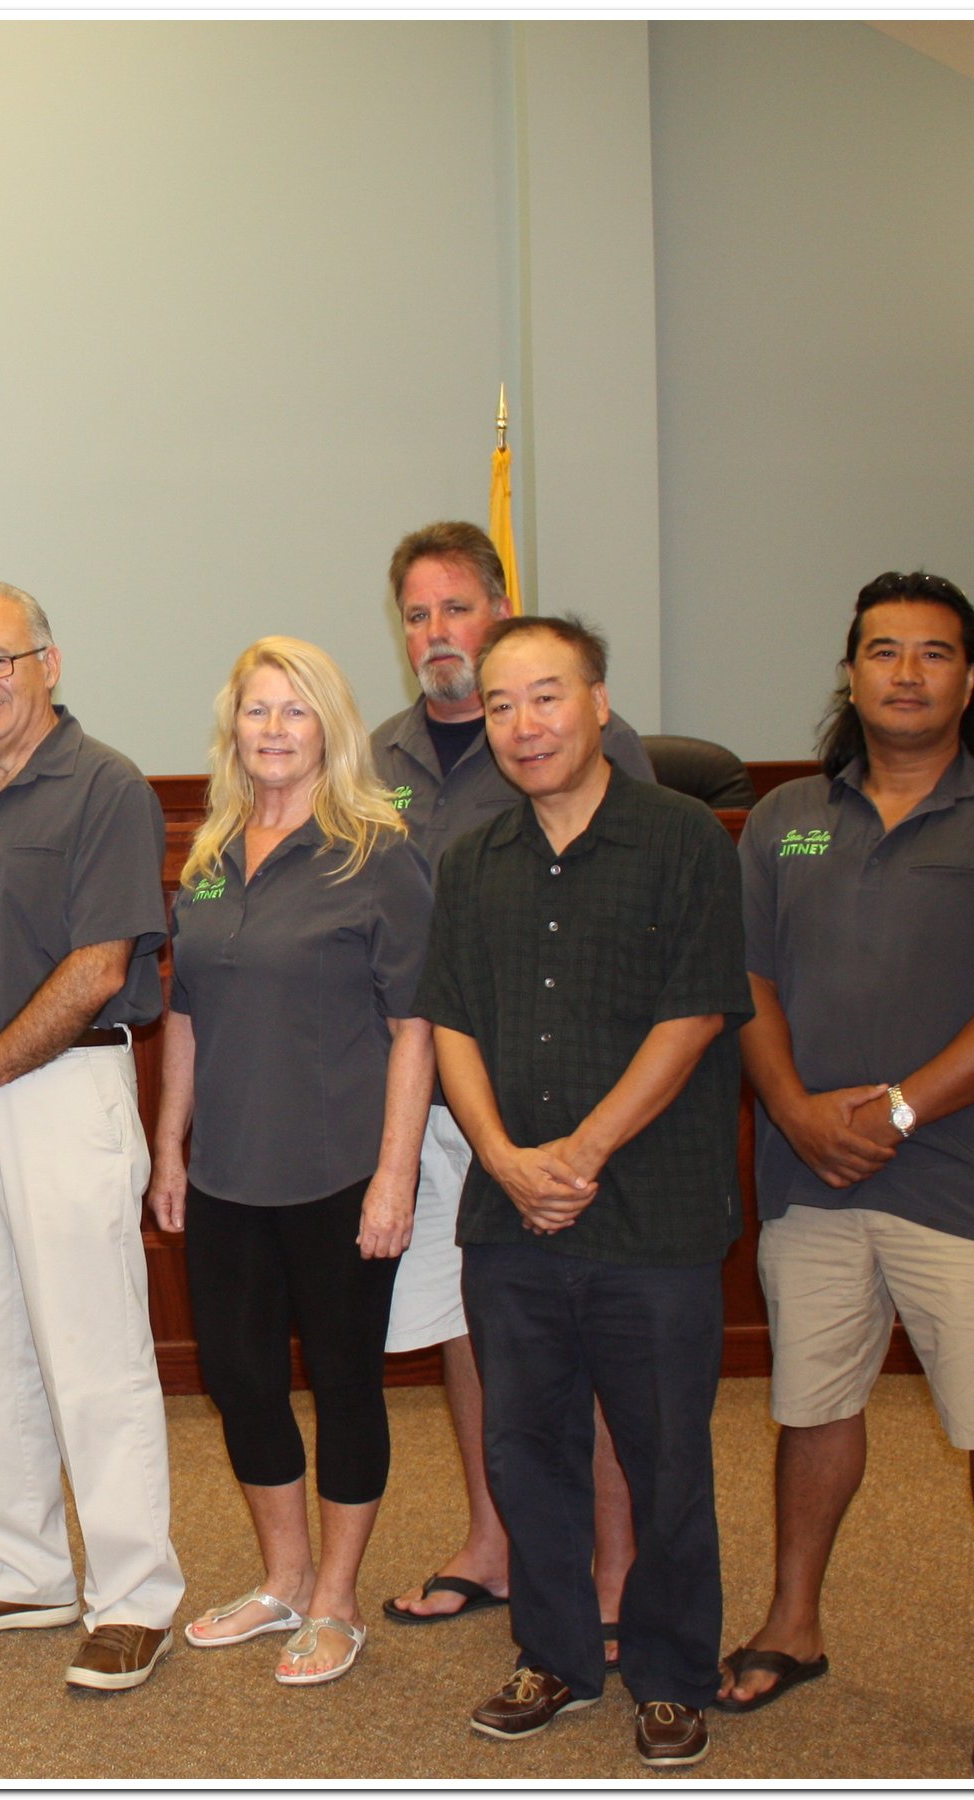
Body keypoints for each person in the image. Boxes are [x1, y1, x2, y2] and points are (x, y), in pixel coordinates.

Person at [715, 573, 974, 1776]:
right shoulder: (786, 817)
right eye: (882, 651)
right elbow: (750, 984)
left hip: (961, 1180)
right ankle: (795, 1622)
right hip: (810, 1176)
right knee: (811, 1406)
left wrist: (894, 1107)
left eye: (933, 653)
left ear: (970, 678)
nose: (905, 673)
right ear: (851, 671)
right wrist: (790, 1107)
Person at [411, 613, 750, 1768]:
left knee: (664, 1458)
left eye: (546, 696)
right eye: (501, 705)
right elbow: (449, 1021)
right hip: (511, 1221)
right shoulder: (474, 860)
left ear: (600, 703)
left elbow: (697, 1011)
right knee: (529, 1449)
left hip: (652, 1216)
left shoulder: (686, 839)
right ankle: (553, 1656)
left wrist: (586, 1151)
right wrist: (506, 1158)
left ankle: (667, 1672)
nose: (524, 725)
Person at [0, 581, 183, 1693]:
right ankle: (20, 1570)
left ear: (48, 663)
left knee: (93, 1354)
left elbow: (101, 966)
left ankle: (133, 1594)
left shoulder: (103, 786)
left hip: (64, 1091)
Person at [370, 522, 649, 1649]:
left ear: (500, 607)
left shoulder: (576, 736)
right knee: (465, 1327)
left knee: (587, 1333)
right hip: (426, 1089)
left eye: (458, 608)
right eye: (419, 615)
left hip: (558, 1090)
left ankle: (616, 1563)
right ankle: (493, 1540)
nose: (440, 634)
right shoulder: (374, 753)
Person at [147, 637, 435, 1687]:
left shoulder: (378, 851)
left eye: (295, 711)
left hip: (340, 1175)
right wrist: (168, 1143)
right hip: (226, 1174)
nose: (273, 729)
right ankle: (281, 1579)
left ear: (330, 729)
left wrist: (397, 1173)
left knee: (347, 1384)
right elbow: (185, 1010)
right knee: (240, 1380)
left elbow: (417, 1025)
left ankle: (336, 1600)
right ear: (234, 729)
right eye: (257, 710)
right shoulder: (212, 850)